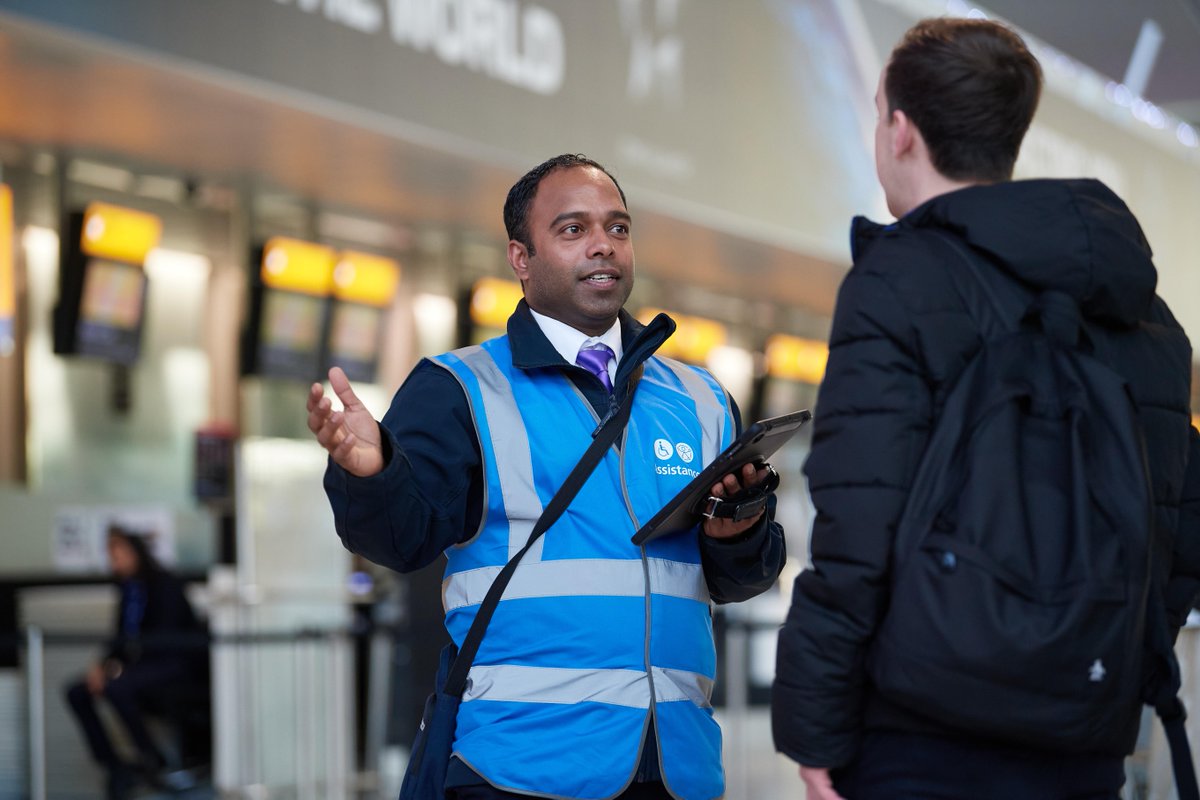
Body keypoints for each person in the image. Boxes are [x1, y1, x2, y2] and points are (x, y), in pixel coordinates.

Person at [771, 17, 1200, 800]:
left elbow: (858, 528)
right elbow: (1176, 530)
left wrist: (814, 728)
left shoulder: (898, 281)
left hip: (922, 736)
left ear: (901, 132)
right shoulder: (1146, 319)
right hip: (1086, 743)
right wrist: (1102, 679)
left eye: (878, 114)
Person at [308, 153, 786, 800]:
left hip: (675, 766)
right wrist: (373, 474)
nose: (603, 247)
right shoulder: (460, 388)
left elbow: (737, 578)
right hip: (519, 765)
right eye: (572, 230)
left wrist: (741, 531)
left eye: (618, 228)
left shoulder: (701, 399)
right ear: (520, 258)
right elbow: (401, 541)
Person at [65, 525, 206, 800]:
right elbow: (120, 638)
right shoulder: (128, 590)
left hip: (174, 666)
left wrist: (117, 670)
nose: (114, 560)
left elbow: (163, 640)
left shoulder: (165, 584)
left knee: (117, 686)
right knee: (77, 691)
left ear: (135, 552)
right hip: (138, 668)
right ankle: (115, 765)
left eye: (119, 552)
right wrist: (102, 665)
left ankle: (153, 760)